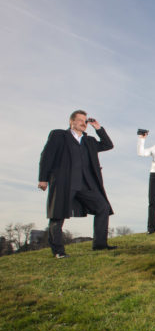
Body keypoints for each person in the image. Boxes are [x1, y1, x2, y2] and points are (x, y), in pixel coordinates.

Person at [38, 110, 116, 258]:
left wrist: (98, 128)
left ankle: (100, 245)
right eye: (80, 120)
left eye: (85, 121)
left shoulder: (89, 141)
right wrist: (43, 178)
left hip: (86, 183)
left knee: (103, 207)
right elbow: (46, 156)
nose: (83, 123)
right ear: (71, 122)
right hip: (64, 183)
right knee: (57, 215)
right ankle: (58, 252)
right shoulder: (59, 135)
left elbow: (108, 145)